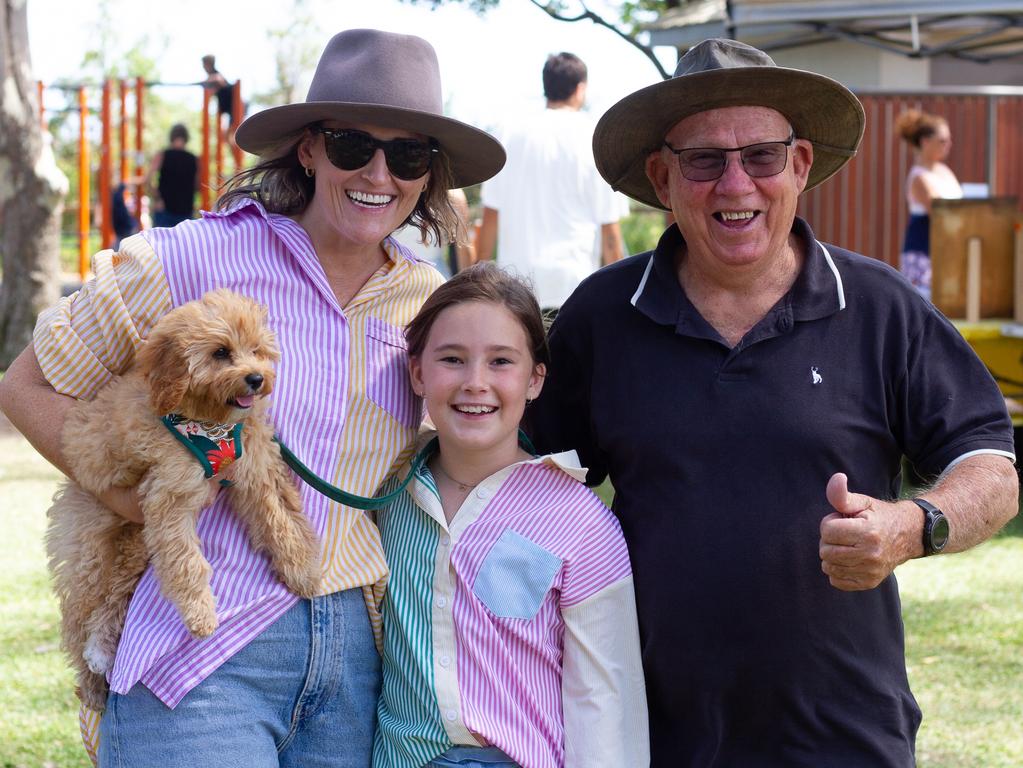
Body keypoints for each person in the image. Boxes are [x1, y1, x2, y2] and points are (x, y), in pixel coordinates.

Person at [0, 29, 505, 767]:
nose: (377, 172)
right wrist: (135, 503)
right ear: (308, 149)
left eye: (407, 155)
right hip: (202, 654)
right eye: (350, 145)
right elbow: (27, 385)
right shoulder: (193, 257)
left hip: (360, 665)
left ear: (428, 175)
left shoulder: (429, 301)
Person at [528, 38, 1018, 767]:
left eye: (760, 156)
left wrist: (914, 525)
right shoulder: (603, 316)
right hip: (649, 738)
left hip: (844, 737)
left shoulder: (878, 307)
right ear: (662, 177)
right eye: (703, 161)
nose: (735, 185)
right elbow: (524, 482)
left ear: (798, 166)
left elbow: (991, 464)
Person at [372, 262, 648, 768]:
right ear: (417, 372)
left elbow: (605, 699)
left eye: (501, 362)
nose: (475, 382)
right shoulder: (388, 496)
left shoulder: (581, 523)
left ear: (535, 379)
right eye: (452, 359)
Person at [477, 52, 628, 313]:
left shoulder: (510, 133)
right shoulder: (596, 138)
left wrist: (478, 284)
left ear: (545, 85)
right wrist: (622, 301)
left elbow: (490, 216)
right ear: (581, 88)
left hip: (516, 288)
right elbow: (610, 233)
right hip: (576, 285)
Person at [895, 109, 963, 300]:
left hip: (947, 251)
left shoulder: (945, 171)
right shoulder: (919, 177)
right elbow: (940, 214)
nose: (948, 145)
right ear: (925, 142)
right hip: (923, 255)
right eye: (942, 140)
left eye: (948, 140)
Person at [391, 188, 475, 279]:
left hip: (432, 277)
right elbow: (464, 250)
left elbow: (463, 250)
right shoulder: (453, 194)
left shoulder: (453, 195)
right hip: (395, 275)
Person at [146, 122, 199, 228]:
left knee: (159, 244)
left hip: (164, 211)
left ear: (171, 137)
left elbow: (147, 180)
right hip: (186, 212)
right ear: (186, 138)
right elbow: (198, 186)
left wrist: (157, 199)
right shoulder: (195, 159)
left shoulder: (162, 155)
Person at [201, 54, 237, 126]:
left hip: (233, 105)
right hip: (227, 108)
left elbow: (218, 79)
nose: (203, 67)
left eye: (204, 64)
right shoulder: (212, 79)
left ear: (208, 64)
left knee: (232, 129)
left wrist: (207, 82)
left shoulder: (216, 75)